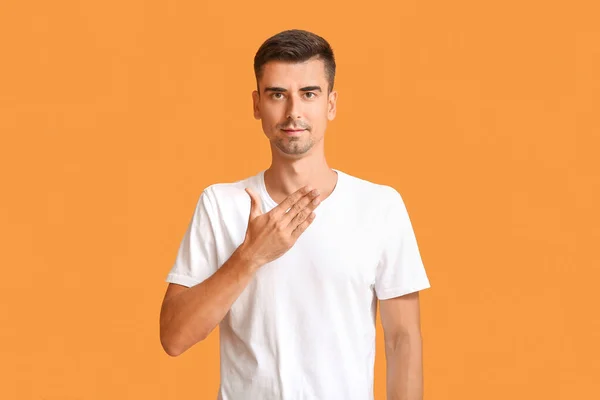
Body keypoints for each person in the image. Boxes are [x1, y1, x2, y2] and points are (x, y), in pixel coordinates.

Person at [159, 29, 431, 400]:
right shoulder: (221, 204)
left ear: (331, 104)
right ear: (257, 105)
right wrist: (250, 256)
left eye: (309, 94)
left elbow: (403, 340)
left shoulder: (380, 207)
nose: (293, 112)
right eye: (277, 95)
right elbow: (174, 337)